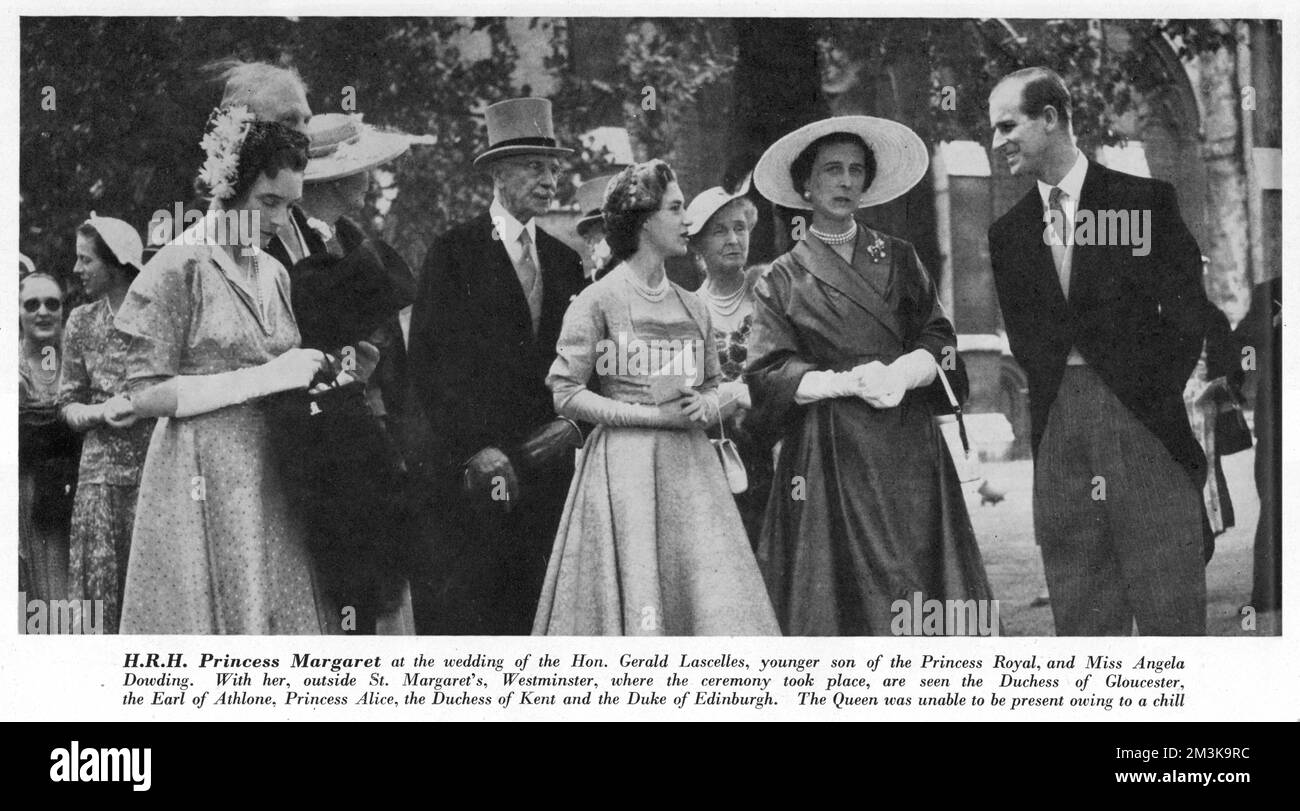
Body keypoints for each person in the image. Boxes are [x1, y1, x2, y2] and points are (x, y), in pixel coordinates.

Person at [746, 116, 994, 636]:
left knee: (919, 580)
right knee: (843, 601)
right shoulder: (781, 277)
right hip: (830, 450)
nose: (845, 181)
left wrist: (906, 371)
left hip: (907, 446)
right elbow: (767, 372)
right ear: (806, 185)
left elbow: (941, 341)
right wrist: (842, 382)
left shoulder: (899, 257)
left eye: (856, 170)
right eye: (831, 170)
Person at [986, 67, 1210, 636]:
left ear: (1051, 118)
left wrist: (1148, 387)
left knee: (1170, 606)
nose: (997, 142)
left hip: (1141, 414)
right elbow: (1023, 336)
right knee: (1083, 612)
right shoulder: (1008, 233)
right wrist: (1063, 397)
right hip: (1058, 424)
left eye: (1008, 125)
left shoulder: (1144, 201)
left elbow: (1187, 314)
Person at [533, 159, 780, 635]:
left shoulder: (692, 304)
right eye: (675, 207)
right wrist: (643, 415)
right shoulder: (598, 300)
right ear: (645, 220)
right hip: (623, 471)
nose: (687, 220)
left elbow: (712, 384)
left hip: (692, 473)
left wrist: (707, 405)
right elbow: (564, 392)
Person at [115, 110, 330, 634]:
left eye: (290, 205)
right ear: (228, 188)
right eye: (269, 203)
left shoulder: (275, 271)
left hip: (271, 475)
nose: (280, 220)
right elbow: (143, 394)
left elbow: (286, 366)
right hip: (198, 477)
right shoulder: (178, 264)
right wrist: (269, 378)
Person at [407, 97, 587, 634]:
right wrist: (473, 449)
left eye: (553, 167)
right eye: (535, 165)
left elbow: (587, 363)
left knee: (546, 621)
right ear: (497, 173)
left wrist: (571, 426)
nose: (549, 178)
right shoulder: (452, 252)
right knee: (480, 622)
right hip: (476, 480)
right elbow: (427, 368)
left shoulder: (564, 260)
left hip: (551, 476)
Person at [264, 111, 430, 635]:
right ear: (338, 178)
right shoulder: (279, 246)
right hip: (315, 435)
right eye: (364, 170)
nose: (370, 180)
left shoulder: (347, 238)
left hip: (366, 426)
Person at [58, 215, 154, 634]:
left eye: (86, 260)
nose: (77, 270)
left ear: (115, 263)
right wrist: (100, 412)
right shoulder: (80, 321)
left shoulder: (158, 313)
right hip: (99, 480)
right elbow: (67, 403)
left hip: (157, 471)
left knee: (154, 588)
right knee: (98, 600)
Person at [684, 179, 771, 547]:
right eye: (720, 231)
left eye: (740, 228)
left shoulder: (769, 293)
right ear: (698, 245)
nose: (733, 239)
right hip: (711, 454)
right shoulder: (685, 308)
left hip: (771, 444)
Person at [18, 270, 79, 617]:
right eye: (32, 304)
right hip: (21, 491)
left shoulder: (76, 359)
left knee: (67, 599)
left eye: (51, 303)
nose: (42, 311)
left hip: (70, 493)